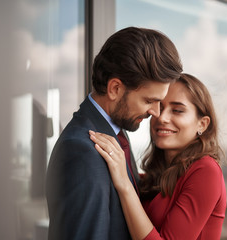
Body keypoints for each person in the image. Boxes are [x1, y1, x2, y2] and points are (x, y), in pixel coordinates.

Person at [46, 27, 183, 240]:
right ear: (115, 89)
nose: (155, 113)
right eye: (149, 101)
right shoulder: (83, 150)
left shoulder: (116, 132)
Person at [89, 73, 227, 240]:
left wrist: (124, 184)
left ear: (202, 124)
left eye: (177, 110)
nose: (162, 117)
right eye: (159, 107)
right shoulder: (158, 174)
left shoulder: (206, 171)